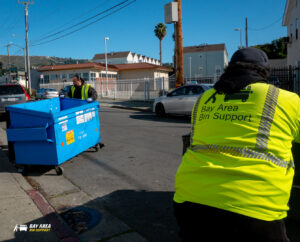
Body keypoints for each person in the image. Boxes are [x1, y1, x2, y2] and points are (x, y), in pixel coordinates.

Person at [173, 47, 300, 242]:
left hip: (190, 201)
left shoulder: (204, 99)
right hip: (256, 209)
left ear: (229, 68)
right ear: (265, 72)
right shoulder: (286, 100)